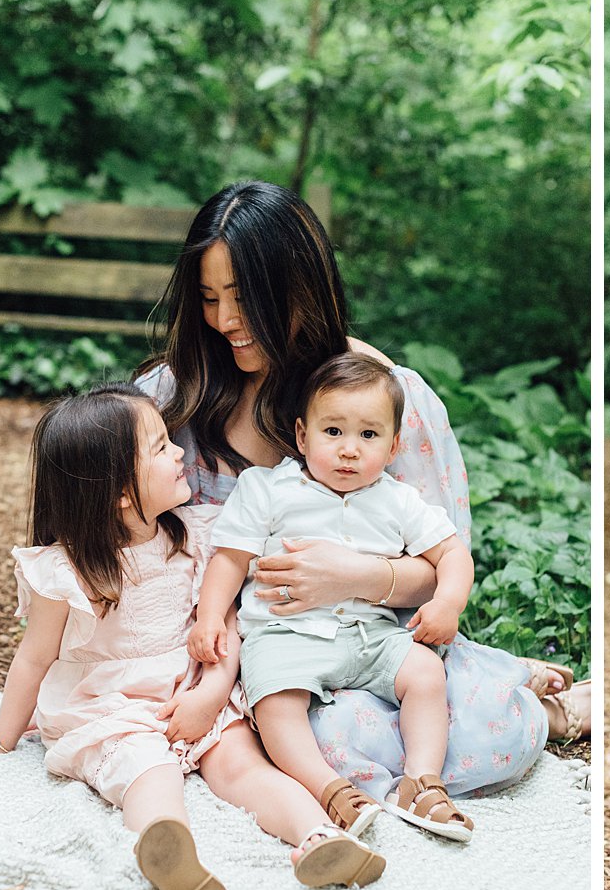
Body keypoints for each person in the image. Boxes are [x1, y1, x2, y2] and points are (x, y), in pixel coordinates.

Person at [134, 179, 589, 810]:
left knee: (387, 731)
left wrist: (352, 576)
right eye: (209, 299)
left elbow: (439, 568)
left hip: (364, 638)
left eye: (245, 299)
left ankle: (542, 708)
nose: (226, 322)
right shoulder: (170, 399)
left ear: (300, 287)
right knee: (277, 729)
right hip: (232, 648)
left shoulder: (383, 401)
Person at [0, 384, 386, 890]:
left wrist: (210, 695)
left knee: (243, 766)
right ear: (122, 493)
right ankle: (165, 845)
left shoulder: (197, 537)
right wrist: (4, 733)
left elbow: (228, 626)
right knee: (146, 769)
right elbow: (33, 659)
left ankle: (319, 838)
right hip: (113, 705)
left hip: (193, 689)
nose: (180, 452)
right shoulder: (65, 570)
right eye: (160, 447)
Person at [191, 353, 476, 841]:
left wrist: (447, 603)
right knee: (275, 702)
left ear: (392, 447)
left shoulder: (398, 500)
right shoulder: (267, 489)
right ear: (302, 436)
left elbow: (453, 553)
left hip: (372, 633)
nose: (349, 450)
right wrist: (210, 617)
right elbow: (230, 559)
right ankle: (330, 791)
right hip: (286, 633)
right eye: (333, 432)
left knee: (427, 673)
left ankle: (421, 783)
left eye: (368, 435)